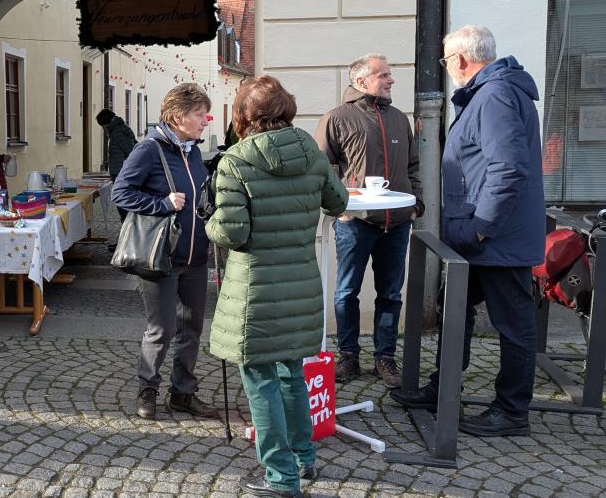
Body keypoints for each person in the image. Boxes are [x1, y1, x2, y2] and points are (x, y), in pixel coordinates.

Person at [390, 25, 544, 438]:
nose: (446, 67)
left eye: (445, 60)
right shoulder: (487, 93)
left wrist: (481, 228)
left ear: (459, 60)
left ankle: (512, 411)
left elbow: (508, 168)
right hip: (481, 236)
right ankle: (444, 387)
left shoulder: (494, 95)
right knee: (454, 307)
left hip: (495, 238)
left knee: (513, 324)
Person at [206, 76, 348, 497]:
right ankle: (304, 457)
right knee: (292, 374)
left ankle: (281, 477)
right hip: (300, 285)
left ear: (243, 116)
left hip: (257, 291)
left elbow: (232, 233)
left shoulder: (235, 161)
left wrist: (209, 221)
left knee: (261, 381)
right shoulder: (311, 153)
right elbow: (338, 203)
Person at [315, 54, 424, 388]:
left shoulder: (399, 119)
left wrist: (416, 203)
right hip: (355, 223)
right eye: (384, 75)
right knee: (346, 292)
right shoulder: (337, 117)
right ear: (361, 81)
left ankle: (384, 357)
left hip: (398, 223)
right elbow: (320, 170)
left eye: (390, 74)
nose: (392, 80)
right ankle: (348, 356)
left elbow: (413, 165)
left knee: (391, 293)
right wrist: (338, 208)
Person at [111, 83, 217, 421]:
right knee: (162, 329)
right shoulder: (149, 150)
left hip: (195, 257)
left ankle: (183, 393)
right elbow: (120, 193)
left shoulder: (193, 151)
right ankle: (148, 388)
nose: (206, 121)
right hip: (160, 258)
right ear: (177, 116)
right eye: (200, 115)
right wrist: (162, 204)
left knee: (192, 329)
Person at [99, 108, 138, 222]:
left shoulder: (118, 132)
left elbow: (131, 152)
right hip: (122, 173)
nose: (103, 129)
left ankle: (128, 230)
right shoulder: (119, 129)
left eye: (102, 126)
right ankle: (127, 229)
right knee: (123, 205)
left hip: (123, 174)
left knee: (123, 206)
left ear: (106, 124)